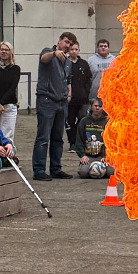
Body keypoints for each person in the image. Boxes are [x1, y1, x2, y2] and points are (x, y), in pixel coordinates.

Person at [33, 32, 76, 181]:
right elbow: (43, 58)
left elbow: (67, 80)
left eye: (71, 44)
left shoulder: (68, 62)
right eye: (66, 42)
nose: (68, 46)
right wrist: (54, 53)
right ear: (59, 41)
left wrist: (68, 95)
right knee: (43, 137)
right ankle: (39, 170)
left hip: (61, 102)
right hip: (47, 101)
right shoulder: (48, 52)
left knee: (58, 138)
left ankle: (55, 168)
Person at [64, 46, 93, 156]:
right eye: (72, 49)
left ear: (79, 51)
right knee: (70, 122)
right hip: (69, 99)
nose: (74, 51)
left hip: (82, 99)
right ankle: (72, 143)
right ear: (68, 51)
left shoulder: (83, 64)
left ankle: (80, 142)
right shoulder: (65, 63)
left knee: (82, 120)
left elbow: (89, 78)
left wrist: (86, 91)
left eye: (76, 49)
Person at [76, 98, 112, 179]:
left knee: (111, 172)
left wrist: (106, 156)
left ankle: (99, 170)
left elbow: (110, 142)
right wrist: (82, 155)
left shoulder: (107, 122)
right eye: (95, 106)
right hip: (88, 157)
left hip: (102, 157)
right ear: (91, 107)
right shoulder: (84, 121)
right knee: (83, 172)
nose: (97, 108)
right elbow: (79, 141)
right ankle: (89, 169)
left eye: (100, 106)